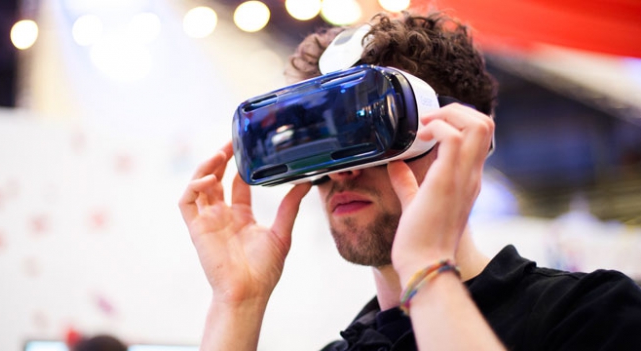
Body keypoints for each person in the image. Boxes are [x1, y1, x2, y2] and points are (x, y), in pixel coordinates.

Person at [178, 10, 641, 351]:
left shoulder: (589, 314)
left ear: (464, 139)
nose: (343, 170)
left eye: (371, 135)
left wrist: (426, 269)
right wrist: (236, 304)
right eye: (326, 143)